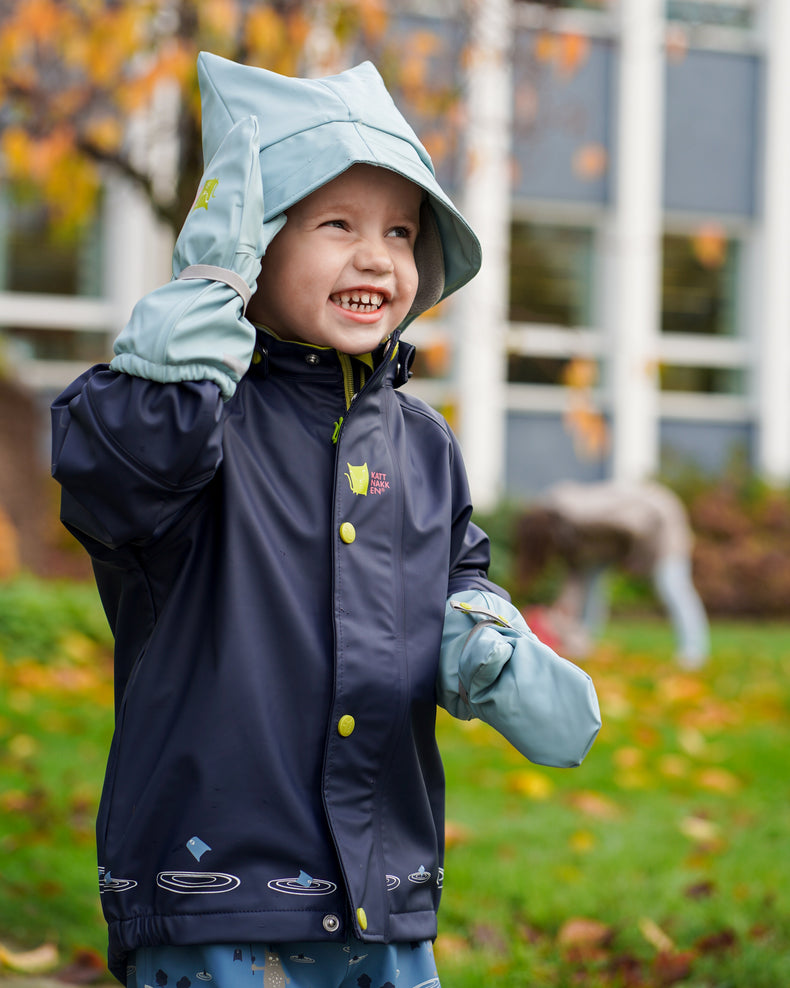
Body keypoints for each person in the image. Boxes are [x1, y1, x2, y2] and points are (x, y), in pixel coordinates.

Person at [51, 52, 601, 988]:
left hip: (379, 889)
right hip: (216, 892)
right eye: (335, 223)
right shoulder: (193, 412)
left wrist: (481, 637)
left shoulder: (423, 444)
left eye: (400, 229)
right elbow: (120, 474)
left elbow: (454, 570)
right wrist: (196, 323)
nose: (376, 256)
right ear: (256, 240)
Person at [516, 479, 711, 669]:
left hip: (660, 521)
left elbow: (636, 523)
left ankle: (693, 653)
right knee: (589, 585)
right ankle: (582, 645)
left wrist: (633, 560)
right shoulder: (560, 531)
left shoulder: (580, 515)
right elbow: (575, 583)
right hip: (614, 543)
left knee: (671, 584)